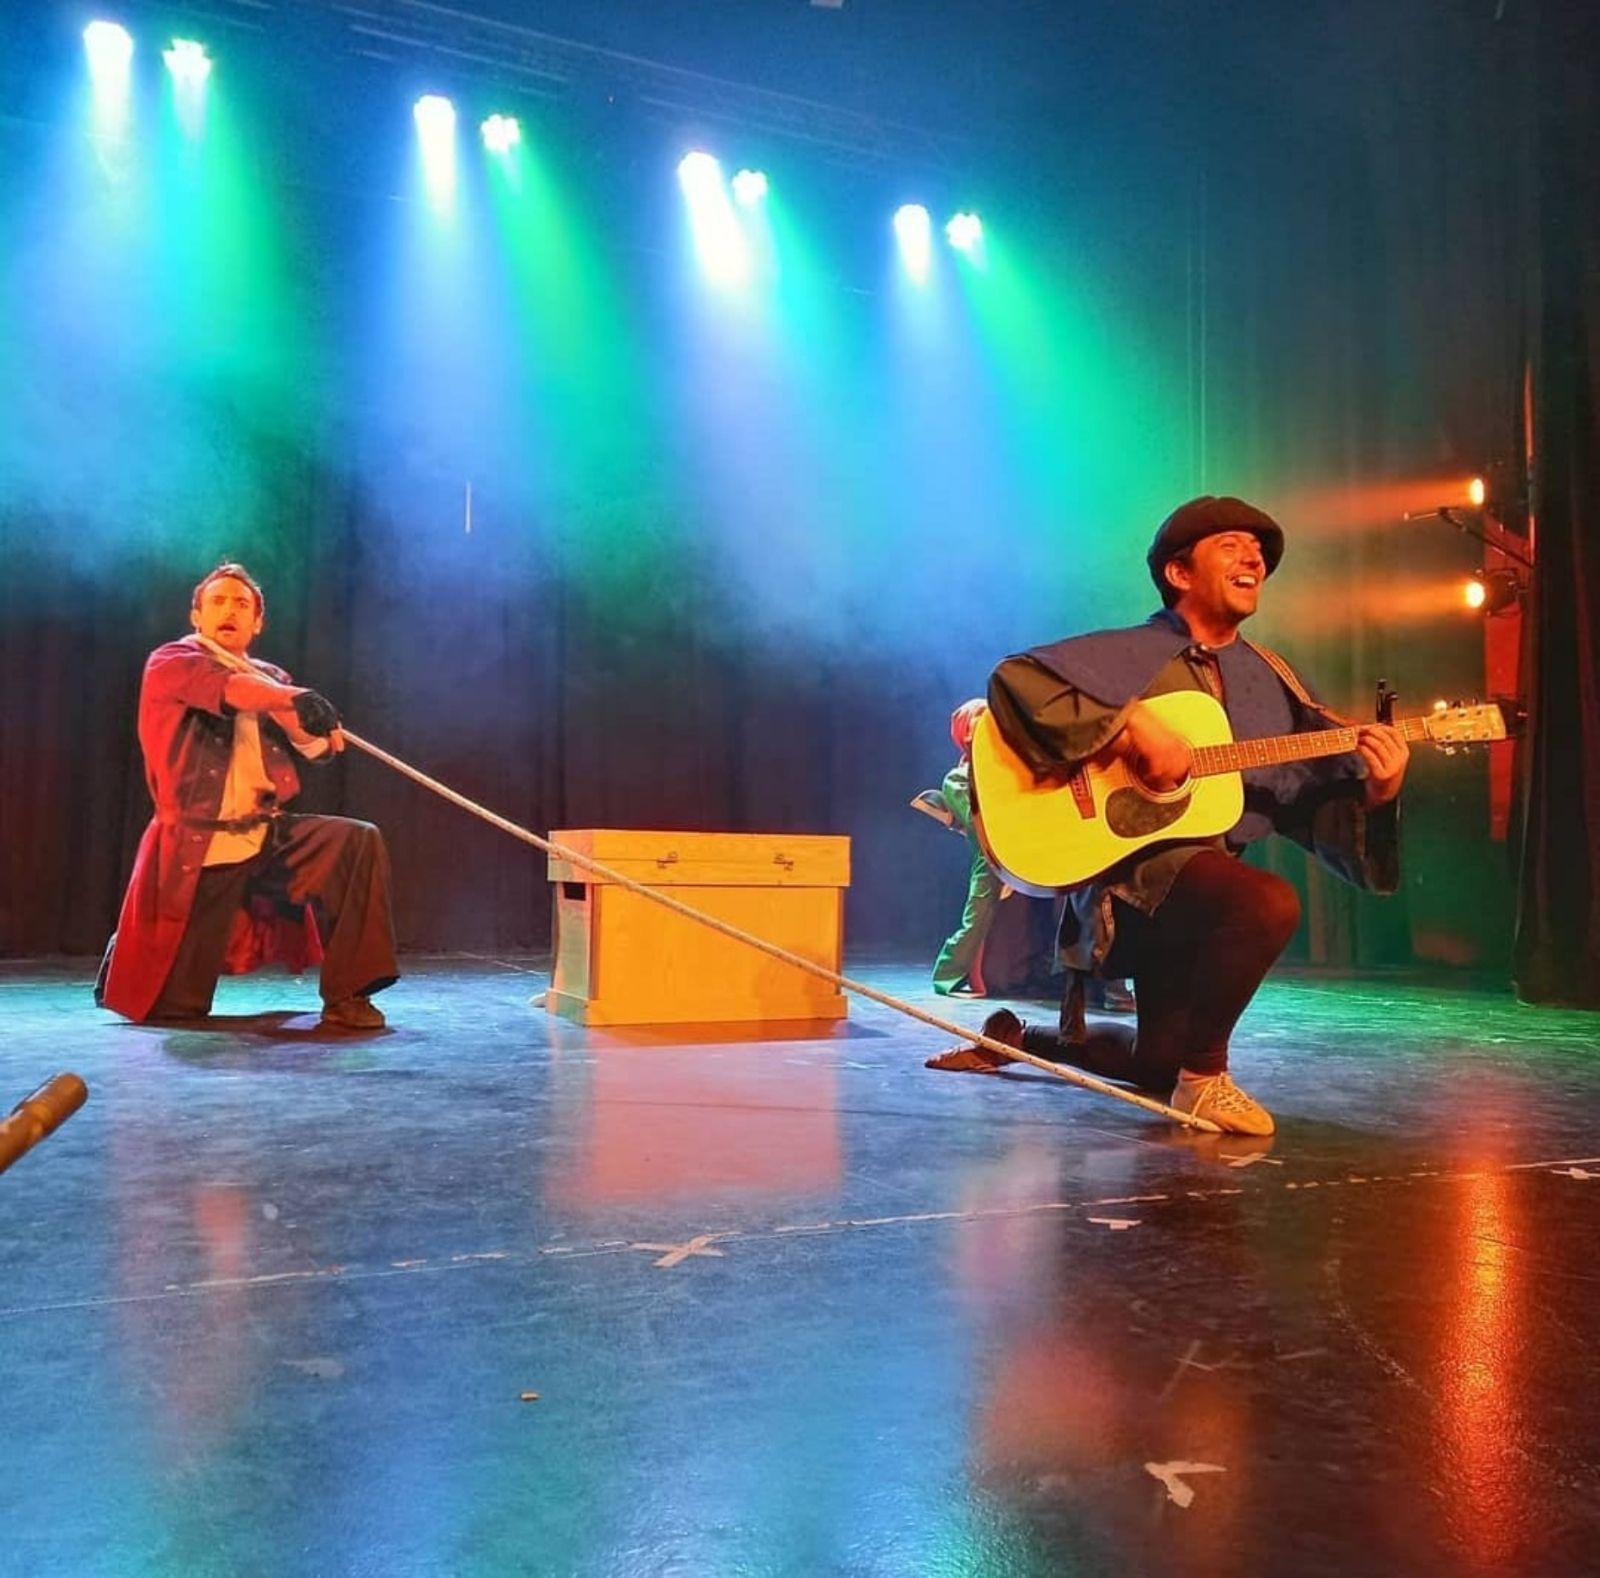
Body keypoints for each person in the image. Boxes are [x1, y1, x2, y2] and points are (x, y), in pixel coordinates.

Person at [926, 497, 1410, 1134]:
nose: (1253, 557)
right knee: (1268, 901)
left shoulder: (1272, 678)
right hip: (1130, 879)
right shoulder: (1134, 652)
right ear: (1180, 573)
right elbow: (1018, 682)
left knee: (1155, 1065)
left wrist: (1376, 793)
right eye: (1231, 545)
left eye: (1258, 551)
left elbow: (1305, 788)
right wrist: (1129, 724)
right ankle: (1206, 1080)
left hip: (1204, 889)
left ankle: (1020, 1037)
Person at [97, 564, 400, 1029]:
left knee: (356, 841)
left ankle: (349, 995)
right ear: (197, 616)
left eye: (242, 604)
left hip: (265, 838)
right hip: (198, 849)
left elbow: (313, 747)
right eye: (217, 601)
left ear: (257, 623)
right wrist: (290, 697)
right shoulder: (172, 661)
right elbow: (227, 688)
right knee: (174, 1009)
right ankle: (125, 956)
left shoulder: (271, 677)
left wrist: (309, 722)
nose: (230, 611)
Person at [930, 699, 1003, 997]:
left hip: (1019, 849)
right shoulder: (957, 778)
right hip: (989, 855)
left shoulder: (1002, 769)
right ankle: (946, 974)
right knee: (978, 915)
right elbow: (975, 822)